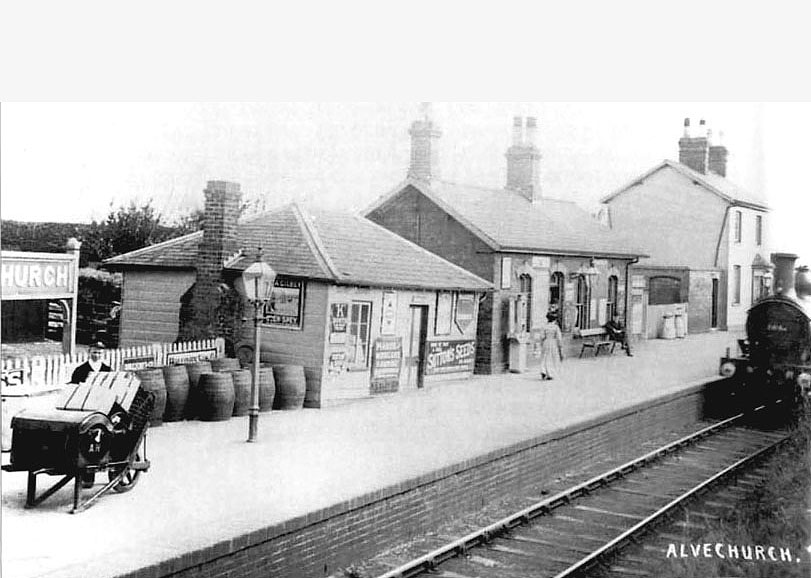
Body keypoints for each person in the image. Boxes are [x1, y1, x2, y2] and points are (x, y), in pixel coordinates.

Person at [539, 311, 564, 380]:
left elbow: (542, 336)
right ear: (555, 319)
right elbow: (559, 338)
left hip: (546, 342)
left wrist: (542, 343)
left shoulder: (544, 326)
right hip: (553, 342)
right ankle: (550, 373)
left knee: (544, 357)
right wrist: (560, 346)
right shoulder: (556, 327)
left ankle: (543, 370)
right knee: (552, 358)